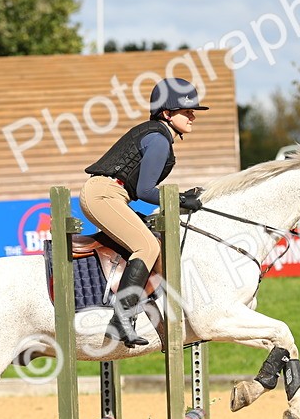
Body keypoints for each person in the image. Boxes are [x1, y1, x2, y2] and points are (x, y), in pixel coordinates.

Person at [80, 77, 208, 346]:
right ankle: (120, 319)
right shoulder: (159, 140)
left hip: (112, 195)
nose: (193, 115)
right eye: (187, 111)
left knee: (152, 239)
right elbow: (147, 191)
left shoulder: (159, 136)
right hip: (103, 194)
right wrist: (182, 199)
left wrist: (182, 197)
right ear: (167, 113)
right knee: (148, 246)